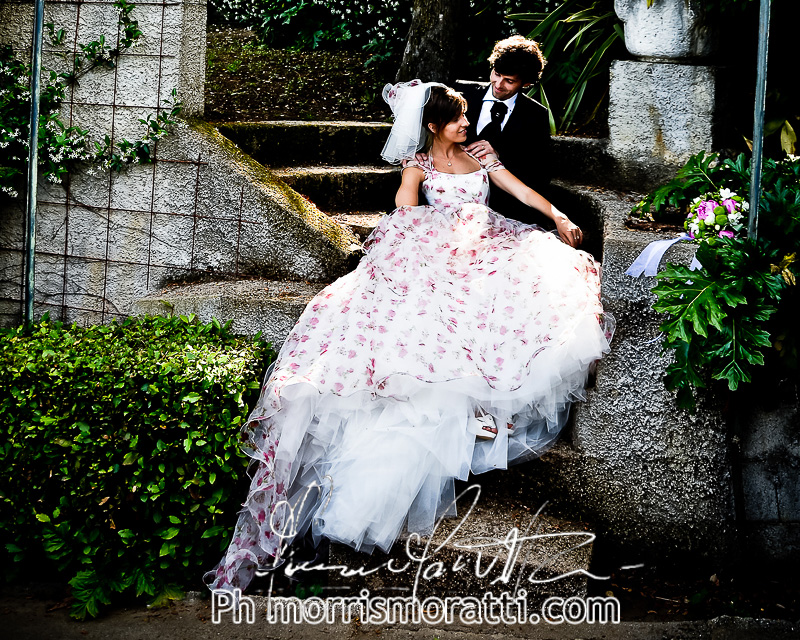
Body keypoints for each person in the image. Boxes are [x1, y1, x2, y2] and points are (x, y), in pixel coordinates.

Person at [206, 82, 612, 593]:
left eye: (465, 116)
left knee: (533, 285)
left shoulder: (481, 154)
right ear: (434, 126)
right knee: (430, 320)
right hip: (439, 255)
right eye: (457, 119)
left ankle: (489, 406)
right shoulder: (417, 166)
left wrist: (557, 214)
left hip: (485, 249)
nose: (466, 124)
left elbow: (519, 191)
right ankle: (470, 410)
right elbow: (405, 211)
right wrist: (422, 226)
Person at [458, 34, 551, 223]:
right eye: (497, 74)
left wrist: (500, 155)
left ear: (526, 83)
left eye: (509, 80)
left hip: (504, 206)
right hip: (455, 194)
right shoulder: (460, 93)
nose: (498, 85)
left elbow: (540, 172)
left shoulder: (536, 114)